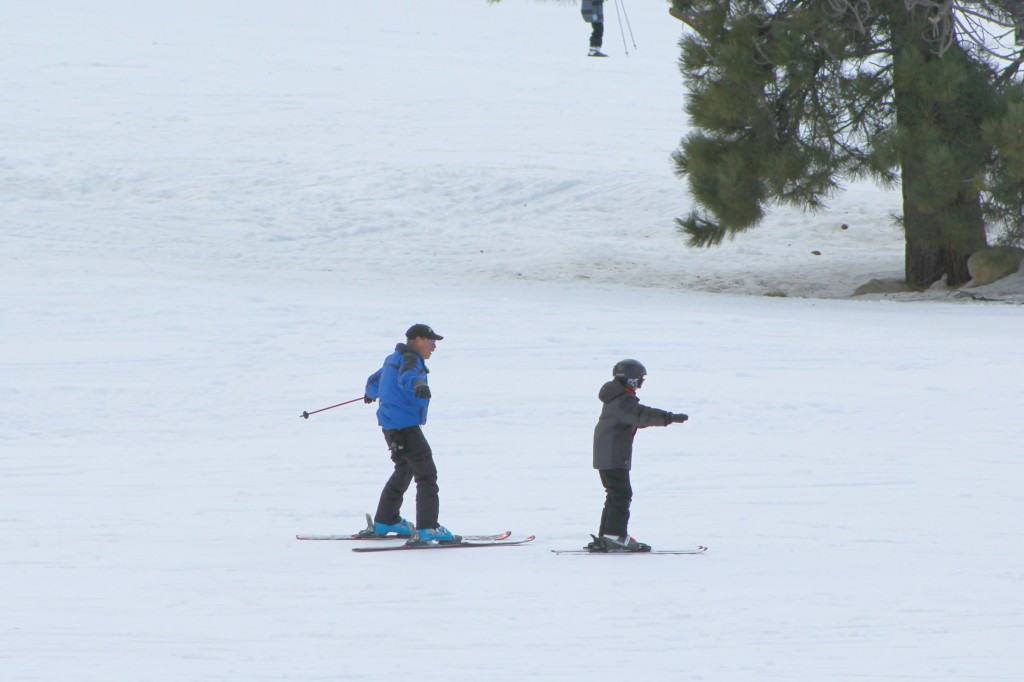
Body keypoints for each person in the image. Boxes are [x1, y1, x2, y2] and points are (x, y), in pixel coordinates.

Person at [363, 324, 458, 544]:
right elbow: (407, 377)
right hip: (406, 427)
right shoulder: (411, 360)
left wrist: (370, 394)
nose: (434, 346)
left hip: (391, 428)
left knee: (404, 469)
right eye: (431, 340)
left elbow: (374, 381)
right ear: (417, 340)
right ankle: (427, 529)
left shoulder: (392, 358)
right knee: (427, 475)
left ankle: (386, 520)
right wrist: (417, 384)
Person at [590, 359, 688, 551]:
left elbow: (637, 417)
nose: (642, 382)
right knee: (621, 494)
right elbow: (641, 415)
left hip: (608, 455)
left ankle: (608, 535)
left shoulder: (617, 398)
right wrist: (669, 417)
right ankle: (615, 536)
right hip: (613, 455)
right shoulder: (622, 400)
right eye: (640, 379)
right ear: (631, 380)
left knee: (615, 494)